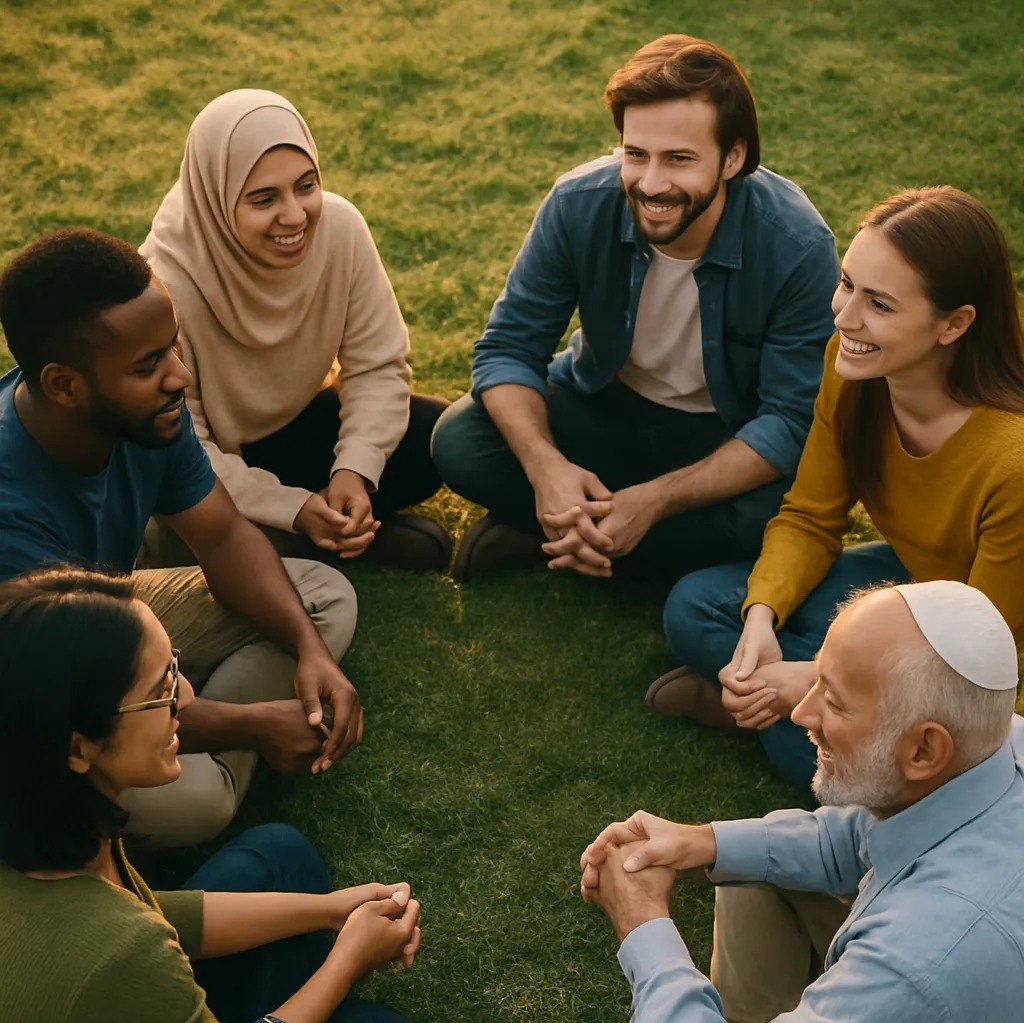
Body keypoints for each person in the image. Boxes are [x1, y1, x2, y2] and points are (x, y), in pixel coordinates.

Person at [0, 227, 362, 847]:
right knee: (193, 806)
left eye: (171, 349)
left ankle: (192, 721)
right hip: (41, 709)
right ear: (64, 385)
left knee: (322, 600)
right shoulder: (11, 517)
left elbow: (222, 537)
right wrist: (252, 726)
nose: (181, 376)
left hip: (109, 622)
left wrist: (309, 651)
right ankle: (218, 737)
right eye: (150, 365)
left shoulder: (147, 415)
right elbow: (82, 708)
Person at [431, 34, 839, 582]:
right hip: (604, 406)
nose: (651, 183)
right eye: (636, 154)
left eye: (679, 160)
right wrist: (546, 468)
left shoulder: (797, 245)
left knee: (774, 509)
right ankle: (606, 537)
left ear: (733, 157)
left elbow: (790, 421)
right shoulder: (577, 204)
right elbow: (508, 348)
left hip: (721, 433)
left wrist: (657, 499)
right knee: (460, 441)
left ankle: (553, 539)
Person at [658, 186, 1024, 790]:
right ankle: (800, 716)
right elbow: (809, 516)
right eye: (847, 283)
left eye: (879, 304)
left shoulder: (1010, 461)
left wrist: (810, 681)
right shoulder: (853, 367)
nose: (845, 317)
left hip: (983, 656)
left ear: (954, 324)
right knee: (700, 607)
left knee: (880, 771)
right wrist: (759, 622)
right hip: (916, 584)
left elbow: (980, 662)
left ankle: (779, 719)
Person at [581, 581, 1024, 1023]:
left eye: (833, 700)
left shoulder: (916, 965)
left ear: (925, 751)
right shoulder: (998, 739)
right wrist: (703, 842)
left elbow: (916, 966)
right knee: (754, 866)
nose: (800, 714)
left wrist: (643, 925)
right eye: (816, 680)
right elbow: (860, 834)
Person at [0, 568, 419, 1023]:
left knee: (281, 854)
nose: (187, 697)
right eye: (159, 690)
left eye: (174, 669)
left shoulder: (53, 818)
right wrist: (347, 963)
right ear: (80, 747)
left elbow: (152, 913)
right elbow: (132, 943)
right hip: (130, 976)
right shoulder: (122, 953)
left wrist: (331, 912)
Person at [139, 89, 450, 573]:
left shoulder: (341, 229)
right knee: (188, 516)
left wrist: (354, 471)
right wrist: (294, 509)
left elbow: (377, 365)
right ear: (215, 197)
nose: (295, 215)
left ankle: (325, 532)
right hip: (213, 463)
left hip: (297, 427)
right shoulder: (164, 286)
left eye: (306, 186)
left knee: (435, 435)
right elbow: (184, 445)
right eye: (264, 199)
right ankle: (319, 543)